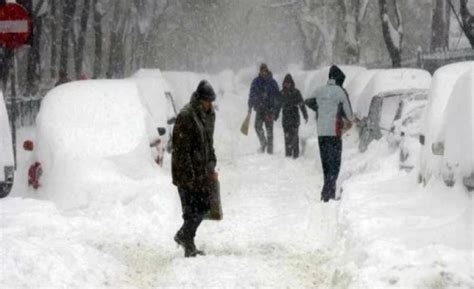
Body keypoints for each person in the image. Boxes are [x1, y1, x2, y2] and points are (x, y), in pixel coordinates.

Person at [172, 80, 218, 257]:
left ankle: (184, 236)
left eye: (211, 101)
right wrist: (189, 175)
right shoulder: (187, 116)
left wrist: (211, 162)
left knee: (204, 206)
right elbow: (181, 150)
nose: (210, 104)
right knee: (191, 210)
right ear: (200, 100)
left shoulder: (208, 115)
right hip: (187, 173)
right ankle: (187, 242)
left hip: (201, 172)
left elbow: (208, 142)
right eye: (207, 101)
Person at [305, 65, 353, 202]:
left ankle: (327, 192)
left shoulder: (320, 90)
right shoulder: (340, 91)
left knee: (326, 162)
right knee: (335, 163)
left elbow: (308, 100)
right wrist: (347, 118)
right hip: (335, 132)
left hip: (321, 133)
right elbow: (349, 114)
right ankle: (328, 193)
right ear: (339, 79)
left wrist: (320, 108)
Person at [248, 63, 280, 154]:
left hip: (269, 110)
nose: (263, 72)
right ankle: (263, 142)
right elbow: (251, 95)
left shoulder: (272, 83)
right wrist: (250, 106)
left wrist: (275, 111)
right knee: (257, 127)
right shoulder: (256, 82)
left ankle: (270, 151)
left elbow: (277, 97)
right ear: (260, 71)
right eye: (262, 71)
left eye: (265, 71)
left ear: (267, 70)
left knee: (269, 131)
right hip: (259, 109)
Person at [275, 74, 308, 158]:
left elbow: (301, 104)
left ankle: (296, 155)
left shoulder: (296, 92)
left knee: (295, 137)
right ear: (284, 83)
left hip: (295, 118)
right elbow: (278, 106)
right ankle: (288, 155)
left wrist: (305, 115)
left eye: (289, 82)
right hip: (285, 119)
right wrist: (276, 115)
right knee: (287, 138)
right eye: (286, 83)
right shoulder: (281, 93)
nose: (287, 84)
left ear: (292, 83)